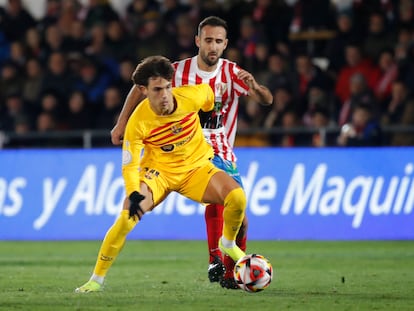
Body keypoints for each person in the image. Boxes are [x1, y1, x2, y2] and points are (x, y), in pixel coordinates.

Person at [110, 16, 273, 289]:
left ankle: (229, 269)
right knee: (220, 200)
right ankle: (218, 261)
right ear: (198, 41)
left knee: (241, 218)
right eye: (208, 40)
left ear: (225, 45)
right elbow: (139, 89)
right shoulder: (178, 70)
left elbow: (267, 100)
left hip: (222, 145)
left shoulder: (232, 73)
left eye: (218, 41)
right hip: (192, 146)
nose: (212, 46)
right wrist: (122, 123)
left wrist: (255, 87)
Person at [75, 55, 247, 293]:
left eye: (167, 87)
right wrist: (133, 192)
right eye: (157, 89)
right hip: (159, 173)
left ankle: (226, 243)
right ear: (143, 90)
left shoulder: (191, 95)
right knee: (126, 217)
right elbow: (129, 164)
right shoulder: (138, 122)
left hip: (196, 167)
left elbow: (208, 98)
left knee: (237, 198)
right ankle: (96, 279)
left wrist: (206, 117)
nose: (165, 94)